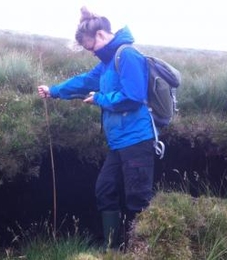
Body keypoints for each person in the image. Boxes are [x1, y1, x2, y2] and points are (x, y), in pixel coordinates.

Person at [37, 6, 155, 251]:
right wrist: (54, 91)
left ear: (101, 35)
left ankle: (141, 251)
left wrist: (101, 98)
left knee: (137, 199)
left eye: (91, 47)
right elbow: (85, 81)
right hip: (118, 142)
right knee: (105, 189)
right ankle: (113, 248)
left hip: (137, 141)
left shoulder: (128, 56)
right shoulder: (108, 62)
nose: (91, 52)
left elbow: (133, 97)